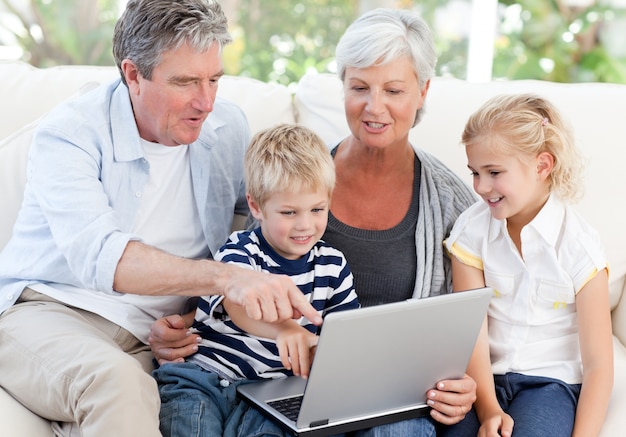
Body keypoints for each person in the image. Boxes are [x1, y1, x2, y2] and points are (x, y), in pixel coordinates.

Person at [150, 8, 480, 436]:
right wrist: (171, 321)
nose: (373, 106)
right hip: (277, 380)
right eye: (359, 87)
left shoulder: (451, 201)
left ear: (422, 92)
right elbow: (226, 280)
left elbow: (463, 319)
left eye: (394, 90)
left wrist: (464, 381)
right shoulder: (293, 175)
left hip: (377, 385)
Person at [0, 1, 321, 436]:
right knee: (118, 383)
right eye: (185, 82)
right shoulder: (70, 133)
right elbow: (104, 258)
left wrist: (196, 319)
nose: (205, 102)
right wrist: (226, 279)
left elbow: (259, 240)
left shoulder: (225, 128)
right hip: (51, 312)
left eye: (214, 80)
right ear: (133, 75)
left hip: (159, 340)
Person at [154, 123, 360, 436]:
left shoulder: (333, 266)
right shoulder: (240, 251)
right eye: (289, 213)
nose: (305, 225)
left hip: (270, 395)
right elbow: (239, 303)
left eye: (317, 209)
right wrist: (287, 330)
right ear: (256, 207)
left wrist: (322, 352)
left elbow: (346, 338)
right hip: (203, 378)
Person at [442, 93, 613, 437]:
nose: (481, 187)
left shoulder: (579, 246)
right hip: (484, 381)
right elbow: (472, 331)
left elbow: (598, 367)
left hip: (549, 386)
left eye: (493, 172)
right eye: (475, 172)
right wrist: (488, 408)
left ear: (542, 166)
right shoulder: (471, 231)